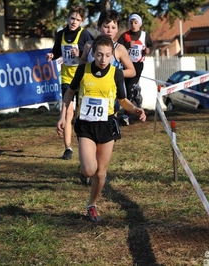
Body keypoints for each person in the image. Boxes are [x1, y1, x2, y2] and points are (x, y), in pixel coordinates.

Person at [57, 35, 146, 222]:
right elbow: (70, 92)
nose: (103, 60)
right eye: (99, 55)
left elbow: (122, 100)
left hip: (107, 125)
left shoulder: (116, 73)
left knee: (100, 173)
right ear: (92, 54)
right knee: (89, 170)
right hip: (86, 126)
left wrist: (135, 109)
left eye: (107, 55)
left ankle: (91, 205)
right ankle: (83, 169)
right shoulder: (83, 70)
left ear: (113, 56)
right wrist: (63, 115)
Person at [46, 5, 94, 160]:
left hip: (82, 76)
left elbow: (92, 54)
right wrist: (52, 55)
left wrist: (80, 53)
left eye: (78, 20)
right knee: (68, 111)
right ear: (67, 19)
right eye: (72, 18)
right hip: (67, 77)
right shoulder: (61, 34)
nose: (74, 22)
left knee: (82, 112)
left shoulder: (85, 34)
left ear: (82, 22)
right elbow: (57, 51)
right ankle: (68, 148)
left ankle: (86, 142)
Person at [80, 9, 136, 119]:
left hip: (111, 95)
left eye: (113, 27)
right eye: (106, 27)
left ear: (117, 30)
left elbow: (132, 71)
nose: (109, 30)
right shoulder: (89, 46)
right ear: (99, 27)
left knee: (109, 126)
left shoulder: (119, 49)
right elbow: (82, 61)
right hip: (90, 93)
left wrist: (116, 73)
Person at [118, 13, 154, 125]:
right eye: (131, 22)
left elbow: (151, 46)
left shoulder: (145, 35)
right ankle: (136, 92)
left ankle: (126, 115)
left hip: (137, 66)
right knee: (124, 88)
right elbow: (118, 47)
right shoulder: (125, 36)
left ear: (140, 24)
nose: (133, 25)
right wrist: (128, 45)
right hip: (126, 65)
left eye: (135, 22)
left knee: (129, 88)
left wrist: (148, 50)